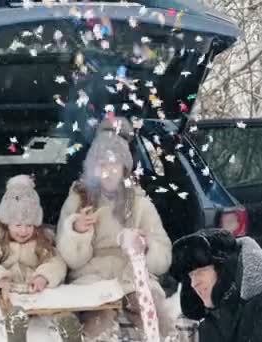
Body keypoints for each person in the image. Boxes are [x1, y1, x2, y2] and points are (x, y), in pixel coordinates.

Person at [56, 117, 175, 341]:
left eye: (113, 164)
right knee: (97, 329)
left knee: (160, 325)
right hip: (91, 280)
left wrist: (146, 246)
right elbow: (68, 260)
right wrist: (78, 231)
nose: (108, 171)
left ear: (124, 167)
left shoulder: (139, 202)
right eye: (102, 164)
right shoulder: (78, 200)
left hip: (134, 277)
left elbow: (163, 258)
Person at [0, 175, 80, 342]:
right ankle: (11, 325)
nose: (23, 231)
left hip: (34, 289)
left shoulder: (42, 241)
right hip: (3, 290)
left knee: (51, 304)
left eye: (29, 225)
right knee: (1, 306)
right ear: (6, 223)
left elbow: (55, 261)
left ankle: (62, 325)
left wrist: (43, 276)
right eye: (18, 225)